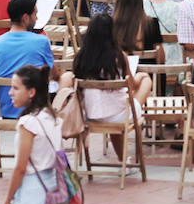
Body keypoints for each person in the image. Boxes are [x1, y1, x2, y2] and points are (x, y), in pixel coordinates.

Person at [60, 14, 153, 161]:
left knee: (113, 110)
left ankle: (124, 160)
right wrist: (140, 77)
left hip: (91, 114)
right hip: (116, 114)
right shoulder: (119, 56)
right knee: (146, 80)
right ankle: (124, 161)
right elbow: (132, 85)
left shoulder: (81, 58)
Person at [0, 64, 64, 204]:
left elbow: (20, 168)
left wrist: (8, 199)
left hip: (32, 191)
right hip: (53, 185)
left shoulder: (28, 123)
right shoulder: (51, 116)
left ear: (31, 92)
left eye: (15, 88)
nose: (10, 93)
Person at [0, 0, 56, 117]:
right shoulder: (41, 41)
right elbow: (53, 74)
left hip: (6, 110)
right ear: (26, 18)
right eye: (35, 14)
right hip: (35, 111)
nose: (37, 18)